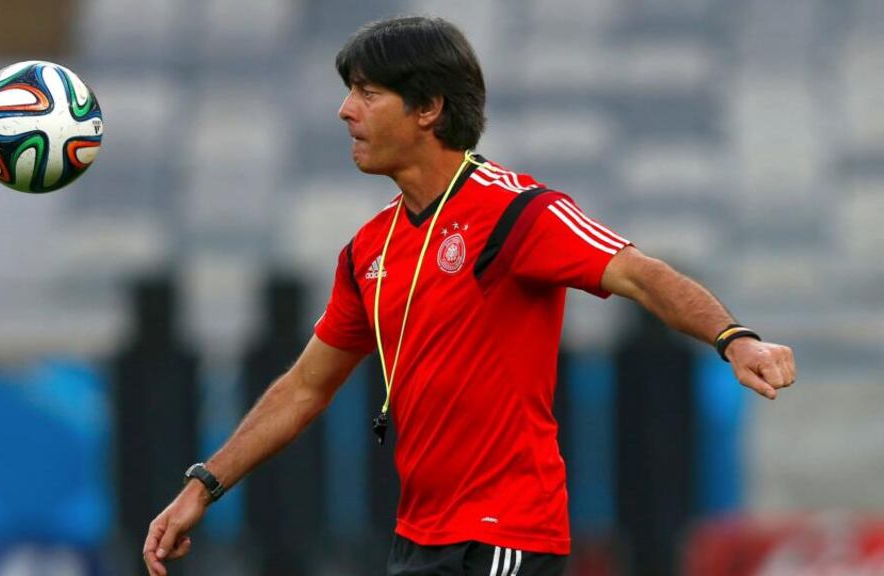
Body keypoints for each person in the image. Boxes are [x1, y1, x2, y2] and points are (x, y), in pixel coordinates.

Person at [143, 16, 796, 576]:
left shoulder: (518, 212)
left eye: (368, 93)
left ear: (428, 108)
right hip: (418, 539)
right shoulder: (368, 250)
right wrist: (204, 485)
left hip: (506, 535)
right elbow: (304, 388)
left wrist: (733, 338)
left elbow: (640, 273)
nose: (346, 110)